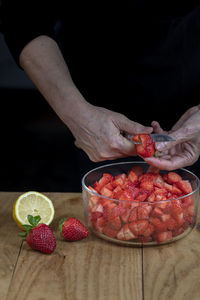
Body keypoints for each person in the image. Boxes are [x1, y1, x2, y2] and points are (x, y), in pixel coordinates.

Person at [0, 1, 200, 176]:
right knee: (100, 206)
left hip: (190, 98)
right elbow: (23, 20)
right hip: (89, 106)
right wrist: (77, 115)